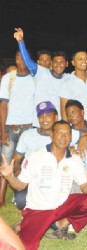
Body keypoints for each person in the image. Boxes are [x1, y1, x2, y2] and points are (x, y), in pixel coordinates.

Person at [0, 120, 87, 250]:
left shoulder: (74, 160)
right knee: (27, 246)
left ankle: (61, 225)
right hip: (39, 210)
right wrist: (9, 177)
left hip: (61, 206)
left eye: (67, 134)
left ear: (71, 137)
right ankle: (27, 223)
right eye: (60, 133)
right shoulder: (36, 156)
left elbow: (83, 187)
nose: (64, 137)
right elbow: (20, 186)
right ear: (52, 135)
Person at [14, 28, 69, 125]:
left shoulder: (68, 78)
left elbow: (83, 74)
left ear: (67, 64)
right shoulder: (41, 72)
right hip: (39, 123)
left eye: (61, 62)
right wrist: (21, 42)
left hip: (59, 124)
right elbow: (27, 61)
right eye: (55, 62)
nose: (58, 65)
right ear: (51, 63)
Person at [0, 50, 34, 207]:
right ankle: (1, 197)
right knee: (5, 162)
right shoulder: (9, 78)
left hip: (29, 128)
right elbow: (3, 105)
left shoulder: (35, 78)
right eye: (17, 57)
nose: (19, 59)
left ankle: (18, 194)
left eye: (23, 56)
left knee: (23, 163)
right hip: (10, 127)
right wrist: (2, 131)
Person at [12, 101, 58, 210]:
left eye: (48, 115)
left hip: (50, 178)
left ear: (56, 117)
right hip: (29, 177)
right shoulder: (27, 135)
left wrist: (83, 139)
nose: (44, 119)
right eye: (41, 116)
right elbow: (16, 159)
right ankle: (20, 194)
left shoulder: (62, 134)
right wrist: (17, 174)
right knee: (21, 203)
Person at [59, 50, 87, 122]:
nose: (84, 61)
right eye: (80, 59)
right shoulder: (66, 83)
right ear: (73, 62)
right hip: (76, 126)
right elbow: (64, 111)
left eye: (86, 59)